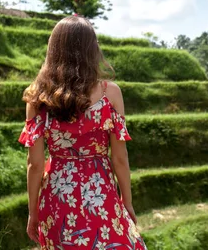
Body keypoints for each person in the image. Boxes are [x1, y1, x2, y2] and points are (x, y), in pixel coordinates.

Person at [19, 15, 147, 250]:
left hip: (56, 197)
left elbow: (34, 164)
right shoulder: (110, 94)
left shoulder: (37, 97)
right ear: (92, 50)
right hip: (100, 195)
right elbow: (119, 158)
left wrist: (33, 212)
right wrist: (126, 202)